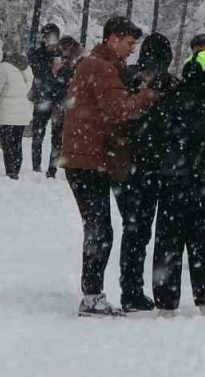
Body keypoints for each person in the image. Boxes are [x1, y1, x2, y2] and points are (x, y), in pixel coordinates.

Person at [61, 16, 158, 317]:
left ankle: (92, 293)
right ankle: (91, 296)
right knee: (100, 229)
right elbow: (119, 110)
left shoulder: (96, 66)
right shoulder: (100, 68)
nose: (131, 51)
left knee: (99, 227)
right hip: (88, 160)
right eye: (129, 44)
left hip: (86, 158)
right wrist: (148, 95)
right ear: (113, 39)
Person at [151, 50, 205, 316]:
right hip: (204, 182)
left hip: (174, 180)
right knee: (203, 242)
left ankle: (165, 302)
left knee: (168, 242)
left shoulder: (171, 101)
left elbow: (156, 139)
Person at [111, 33, 179, 312]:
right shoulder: (170, 84)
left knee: (133, 229)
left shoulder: (126, 77)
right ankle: (144, 288)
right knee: (155, 231)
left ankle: (131, 288)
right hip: (158, 165)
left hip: (127, 163)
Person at [0, 49, 34, 179]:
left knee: (7, 144)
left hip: (6, 112)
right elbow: (29, 85)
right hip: (21, 111)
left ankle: (10, 171)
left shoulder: (3, 67)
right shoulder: (26, 67)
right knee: (17, 143)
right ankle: (16, 170)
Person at [26, 24, 62, 174]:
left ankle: (52, 169)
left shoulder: (62, 55)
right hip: (41, 100)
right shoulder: (37, 55)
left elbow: (66, 78)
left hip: (57, 102)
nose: (51, 42)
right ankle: (36, 167)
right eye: (49, 38)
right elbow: (35, 75)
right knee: (38, 135)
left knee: (57, 138)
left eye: (54, 38)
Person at [45, 36, 81, 180]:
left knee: (61, 140)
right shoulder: (68, 63)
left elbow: (61, 85)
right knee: (59, 139)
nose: (61, 52)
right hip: (64, 106)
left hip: (68, 107)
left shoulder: (75, 64)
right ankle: (53, 169)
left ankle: (56, 169)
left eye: (63, 49)